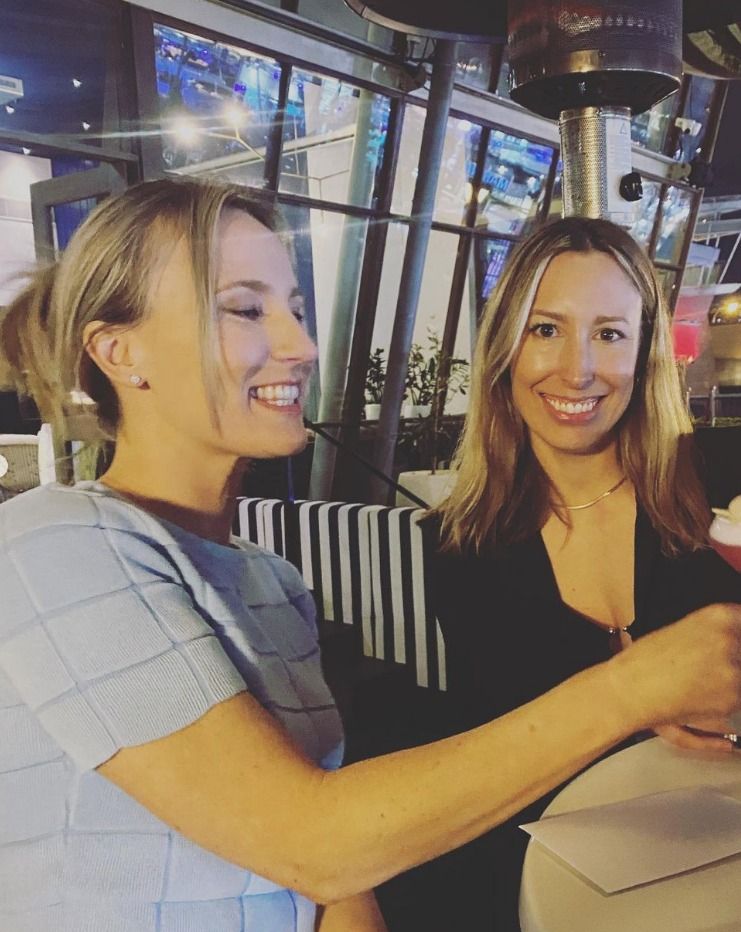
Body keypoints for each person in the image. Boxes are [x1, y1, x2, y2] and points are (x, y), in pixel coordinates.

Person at [0, 181, 740, 932]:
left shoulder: (272, 587)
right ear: (120, 352)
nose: (301, 346)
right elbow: (315, 843)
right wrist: (633, 690)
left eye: (295, 309)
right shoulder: (51, 542)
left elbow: (340, 876)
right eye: (246, 310)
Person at [375, 217, 741, 931]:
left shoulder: (724, 477)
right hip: (579, 895)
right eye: (546, 329)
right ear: (503, 349)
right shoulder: (459, 550)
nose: (577, 370)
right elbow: (512, 762)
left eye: (609, 333)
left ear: (644, 352)